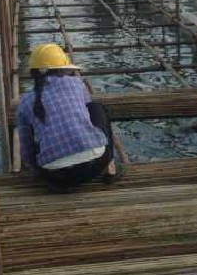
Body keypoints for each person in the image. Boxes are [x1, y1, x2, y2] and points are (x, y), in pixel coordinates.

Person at [17, 44, 120, 190]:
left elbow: (26, 150)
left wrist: (38, 172)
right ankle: (111, 169)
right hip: (96, 165)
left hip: (57, 179)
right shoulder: (76, 84)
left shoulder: (25, 101)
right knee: (97, 108)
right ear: (62, 69)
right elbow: (87, 115)